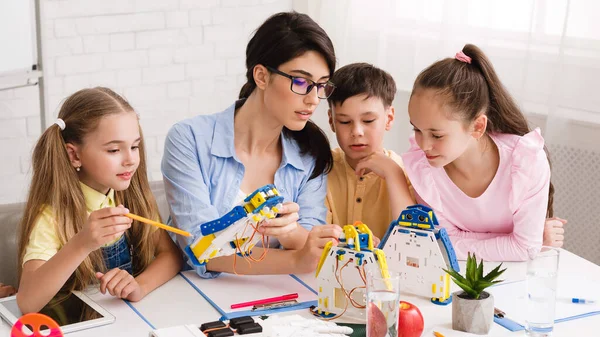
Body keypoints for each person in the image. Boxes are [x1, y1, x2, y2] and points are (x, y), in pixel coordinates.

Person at [162, 12, 343, 278]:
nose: (313, 99)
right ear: (261, 76)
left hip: (285, 296)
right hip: (197, 298)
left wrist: (292, 233)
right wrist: (294, 261)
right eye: (301, 82)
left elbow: (314, 246)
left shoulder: (310, 155)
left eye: (321, 86)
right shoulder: (189, 139)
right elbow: (201, 250)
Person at [17, 87, 182, 313]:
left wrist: (139, 286)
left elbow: (171, 255)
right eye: (114, 150)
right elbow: (27, 302)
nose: (130, 160)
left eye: (134, 146)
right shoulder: (51, 217)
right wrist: (83, 242)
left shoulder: (134, 197)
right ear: (74, 155)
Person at [402, 44, 555, 261]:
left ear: (477, 127)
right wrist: (509, 241)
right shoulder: (424, 167)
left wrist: (460, 241)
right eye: (416, 129)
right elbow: (438, 244)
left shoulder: (526, 161)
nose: (424, 145)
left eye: (436, 135)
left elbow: (525, 248)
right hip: (455, 277)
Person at [325, 63, 413, 239]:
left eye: (368, 120)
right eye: (344, 122)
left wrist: (393, 175)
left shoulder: (407, 173)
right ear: (331, 121)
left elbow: (411, 240)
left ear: (389, 118)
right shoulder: (322, 169)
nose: (357, 131)